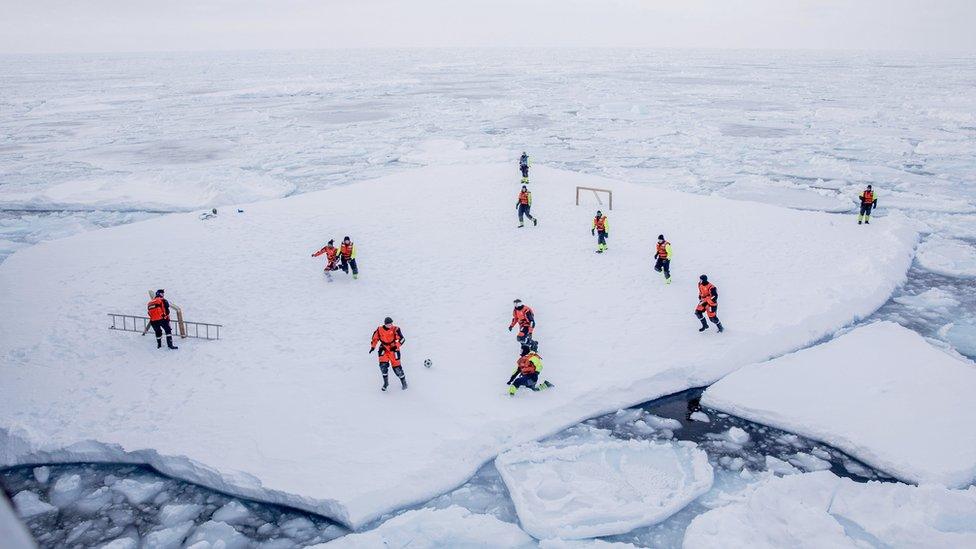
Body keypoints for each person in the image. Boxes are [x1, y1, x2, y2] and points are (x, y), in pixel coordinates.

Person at [370, 317, 407, 391]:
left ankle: (403, 382)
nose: (390, 325)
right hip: (383, 349)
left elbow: (402, 339)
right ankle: (386, 383)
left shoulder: (395, 329)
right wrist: (373, 347)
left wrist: (396, 346)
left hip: (393, 350)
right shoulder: (379, 330)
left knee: (397, 368)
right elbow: (375, 338)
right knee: (383, 367)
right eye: (388, 324)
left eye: (391, 323)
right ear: (385, 324)